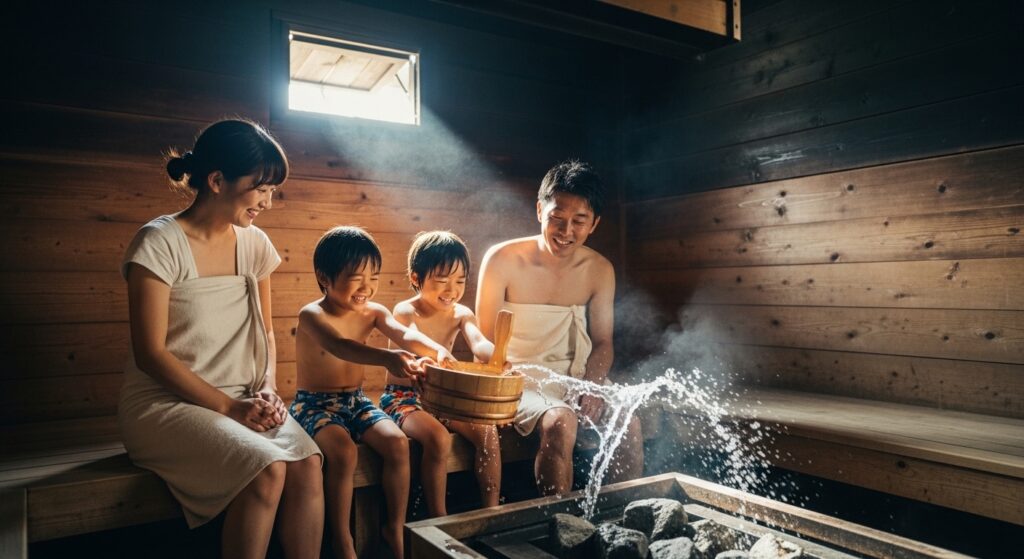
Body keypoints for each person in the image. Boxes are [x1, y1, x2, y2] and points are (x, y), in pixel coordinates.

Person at [120, 119, 324, 559]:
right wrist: (229, 407)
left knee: (308, 464)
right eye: (260, 189)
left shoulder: (255, 244)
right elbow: (150, 354)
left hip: (243, 396)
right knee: (267, 470)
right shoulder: (159, 243)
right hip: (166, 404)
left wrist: (267, 387)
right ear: (216, 181)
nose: (268, 202)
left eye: (273, 190)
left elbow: (264, 330)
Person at [475, 160, 644, 496]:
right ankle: (560, 519)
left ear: (594, 223)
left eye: (579, 221)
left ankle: (624, 514)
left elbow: (603, 342)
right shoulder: (502, 259)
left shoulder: (599, 270)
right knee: (561, 422)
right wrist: (504, 375)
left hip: (577, 375)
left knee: (628, 422)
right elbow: (482, 338)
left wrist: (592, 386)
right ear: (540, 211)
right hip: (517, 378)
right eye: (557, 218)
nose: (566, 232)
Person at [289, 225, 455, 559]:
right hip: (314, 405)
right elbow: (340, 346)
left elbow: (404, 335)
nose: (366, 287)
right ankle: (342, 538)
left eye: (373, 277)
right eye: (356, 278)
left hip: (356, 400)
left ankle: (394, 527)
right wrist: (386, 357)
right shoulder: (312, 315)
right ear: (324, 277)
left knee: (397, 443)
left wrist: (437, 351)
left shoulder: (375, 311)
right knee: (344, 452)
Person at [382, 231, 503, 516]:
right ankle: (440, 519)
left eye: (460, 281)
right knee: (438, 437)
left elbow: (478, 342)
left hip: (443, 399)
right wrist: (436, 353)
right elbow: (413, 339)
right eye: (442, 280)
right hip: (404, 398)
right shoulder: (405, 311)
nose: (452, 290)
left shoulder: (461, 314)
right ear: (416, 278)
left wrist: (499, 356)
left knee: (488, 433)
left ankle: (493, 511)